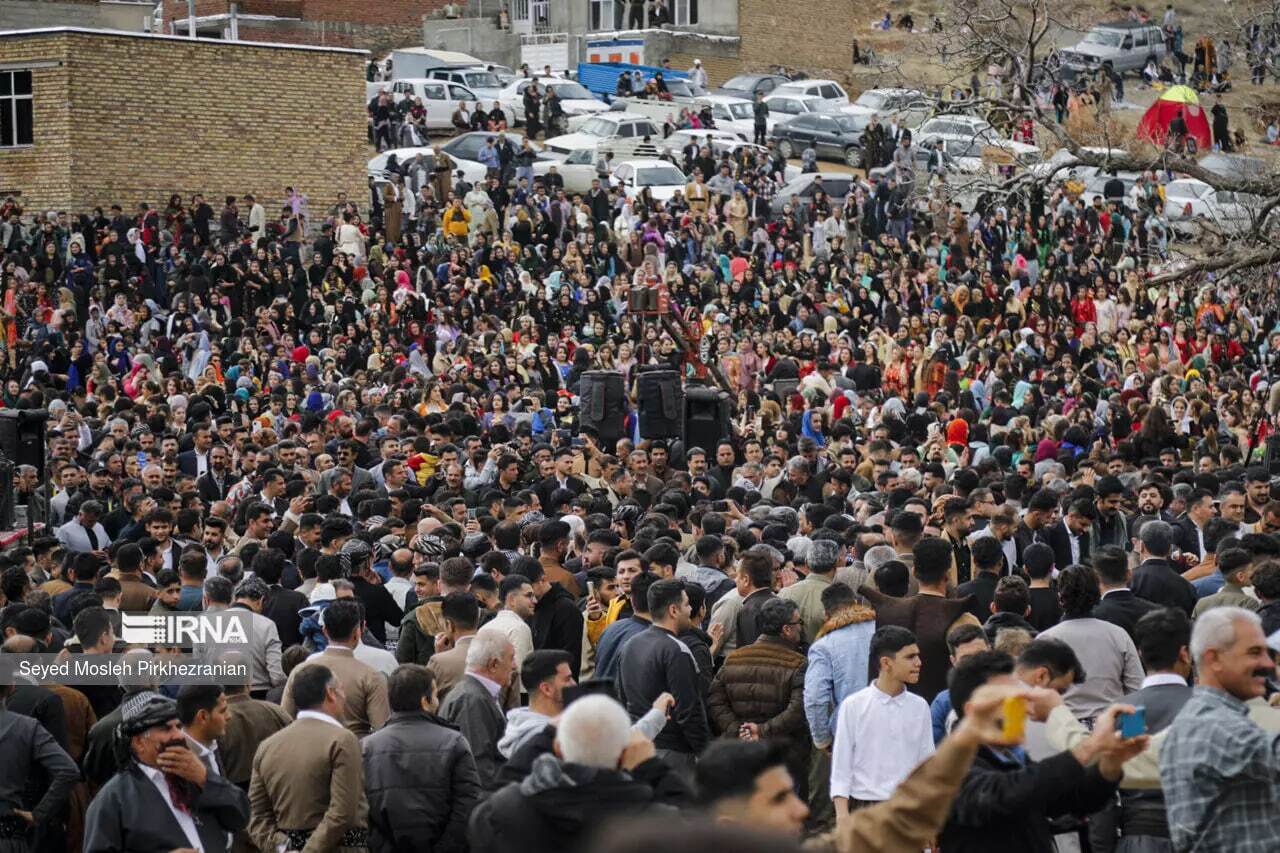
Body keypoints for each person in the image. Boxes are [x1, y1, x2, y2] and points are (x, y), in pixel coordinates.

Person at [939, 651, 1147, 852]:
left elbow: (1068, 798)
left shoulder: (1009, 759)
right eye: (1011, 701)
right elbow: (1006, 794)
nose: (1025, 709)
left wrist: (1111, 762)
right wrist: (1090, 745)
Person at [468, 695, 687, 853]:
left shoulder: (507, 810)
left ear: (558, 748)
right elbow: (697, 822)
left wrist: (545, 735)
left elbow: (486, 802)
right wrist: (651, 767)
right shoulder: (655, 819)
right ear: (624, 754)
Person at [85, 691, 249, 853]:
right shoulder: (114, 798)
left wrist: (205, 778)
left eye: (179, 726)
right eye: (166, 728)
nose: (179, 735)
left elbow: (240, 817)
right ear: (139, 742)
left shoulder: (194, 776)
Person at [249, 664, 370, 853]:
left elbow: (257, 817)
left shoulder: (267, 747)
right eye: (341, 689)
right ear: (331, 693)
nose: (344, 696)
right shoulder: (342, 740)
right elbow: (342, 811)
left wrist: (283, 847)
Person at [361, 664, 481, 853]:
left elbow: (357, 811)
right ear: (425, 701)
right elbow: (468, 804)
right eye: (435, 695)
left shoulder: (366, 748)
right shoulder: (454, 742)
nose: (437, 702)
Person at [829, 626, 933, 821]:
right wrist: (842, 816)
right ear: (886, 662)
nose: (918, 663)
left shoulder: (920, 707)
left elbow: (926, 764)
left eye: (917, 656)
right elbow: (841, 767)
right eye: (910, 657)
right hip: (864, 808)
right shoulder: (854, 706)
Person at [707, 598, 810, 792]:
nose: (801, 627)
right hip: (784, 753)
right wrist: (761, 731)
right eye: (799, 622)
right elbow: (798, 709)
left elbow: (715, 699)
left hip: (741, 752)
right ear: (786, 629)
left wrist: (738, 730)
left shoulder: (734, 658)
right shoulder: (798, 664)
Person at [616, 578, 709, 777]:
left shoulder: (630, 645)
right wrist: (707, 754)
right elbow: (689, 710)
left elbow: (623, 696)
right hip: (674, 754)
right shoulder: (677, 650)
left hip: (640, 748)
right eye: (687, 604)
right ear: (673, 610)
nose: (690, 610)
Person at [1041, 565, 1144, 723]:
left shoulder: (1045, 640)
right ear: (1097, 593)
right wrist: (1132, 731)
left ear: (1061, 597)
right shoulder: (1118, 635)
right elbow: (1137, 690)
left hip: (1063, 727)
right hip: (1110, 726)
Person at [0, 678, 78, 852]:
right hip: (8, 834)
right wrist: (39, 814)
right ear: (11, 686)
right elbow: (68, 770)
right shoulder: (26, 727)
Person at [438, 630, 514, 790]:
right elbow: (478, 769)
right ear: (494, 664)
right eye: (511, 658)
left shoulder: (474, 695)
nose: (515, 665)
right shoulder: (471, 700)